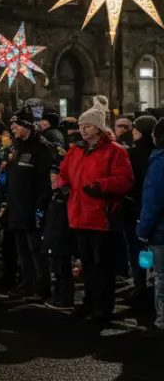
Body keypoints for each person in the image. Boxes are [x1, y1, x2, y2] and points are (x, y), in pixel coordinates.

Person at [60, 96, 133, 326]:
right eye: (81, 126)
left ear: (99, 128)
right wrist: (61, 183)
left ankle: (103, 306)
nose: (82, 130)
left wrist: (100, 186)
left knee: (103, 267)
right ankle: (89, 302)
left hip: (101, 217)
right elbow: (64, 173)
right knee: (87, 265)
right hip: (79, 215)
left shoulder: (115, 151)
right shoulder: (76, 151)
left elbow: (124, 180)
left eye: (87, 126)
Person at [4, 107, 57, 301]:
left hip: (34, 209)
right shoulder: (17, 147)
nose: (13, 129)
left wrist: (40, 207)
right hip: (17, 208)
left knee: (37, 252)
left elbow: (47, 182)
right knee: (22, 251)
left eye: (16, 125)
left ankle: (41, 288)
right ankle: (27, 284)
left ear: (27, 126)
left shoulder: (42, 148)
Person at [123, 115, 156, 315]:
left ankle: (141, 287)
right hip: (150, 211)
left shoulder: (133, 154)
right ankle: (149, 288)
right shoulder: (157, 153)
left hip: (134, 209)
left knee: (136, 251)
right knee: (150, 251)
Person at [137, 118, 164, 336]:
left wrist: (143, 230)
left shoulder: (160, 161)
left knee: (161, 277)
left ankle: (162, 320)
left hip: (160, 231)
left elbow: (153, 200)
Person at [41, 168, 75, 309]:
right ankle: (58, 297)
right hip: (53, 237)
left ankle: (65, 299)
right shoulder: (52, 196)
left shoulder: (65, 197)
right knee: (56, 269)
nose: (53, 181)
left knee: (63, 269)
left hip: (62, 238)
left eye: (55, 178)